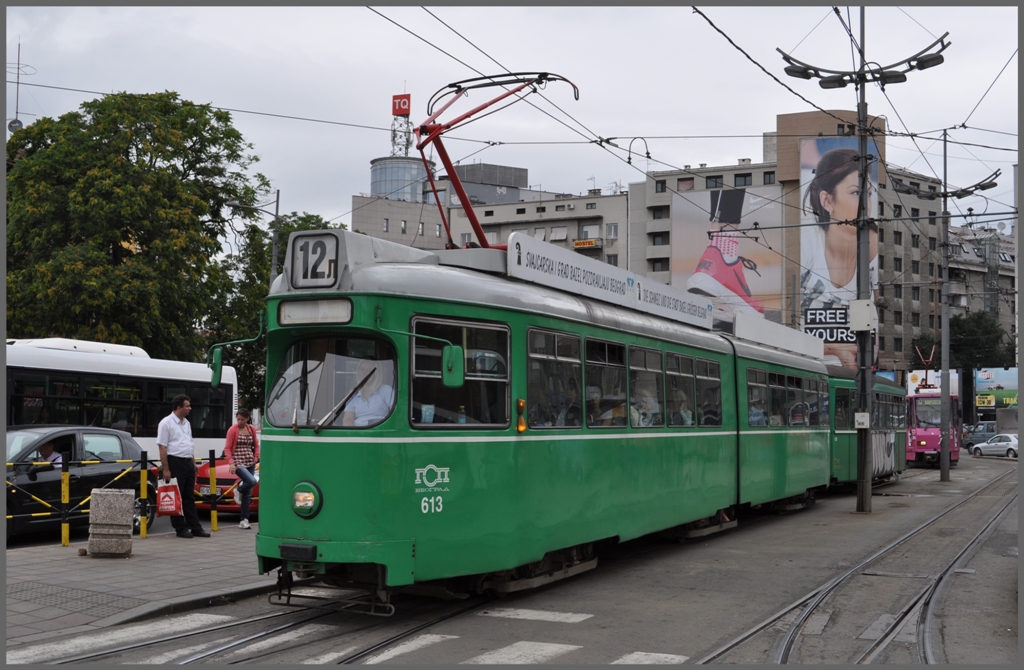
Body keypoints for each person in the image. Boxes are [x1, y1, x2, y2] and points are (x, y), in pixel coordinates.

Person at [800, 147, 879, 369]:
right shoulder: (807, 243)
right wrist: (835, 347)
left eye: (869, 193)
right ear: (827, 201)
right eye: (856, 193)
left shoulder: (873, 247)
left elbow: (872, 349)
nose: (866, 204)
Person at [157, 394, 210, 538]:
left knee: (189, 497)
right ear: (179, 407)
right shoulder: (166, 423)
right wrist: (166, 468)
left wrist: (193, 463)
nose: (190, 408)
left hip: (187, 462)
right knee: (176, 496)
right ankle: (180, 528)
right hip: (175, 461)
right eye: (187, 406)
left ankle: (195, 527)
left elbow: (189, 443)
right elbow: (162, 447)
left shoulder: (186, 423)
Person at [224, 408, 260, 529]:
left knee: (248, 493)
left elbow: (256, 444)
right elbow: (227, 448)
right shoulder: (233, 430)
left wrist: (256, 457)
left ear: (247, 419)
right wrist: (231, 463)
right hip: (238, 461)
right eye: (238, 419)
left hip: (250, 461)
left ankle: (244, 519)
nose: (239, 422)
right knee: (252, 481)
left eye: (242, 419)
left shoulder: (251, 429)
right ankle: (237, 491)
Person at [342, 360, 395, 427]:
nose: (364, 373)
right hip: (358, 432)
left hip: (381, 432)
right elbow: (347, 419)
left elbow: (396, 414)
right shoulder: (353, 394)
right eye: (362, 369)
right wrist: (352, 435)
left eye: (368, 370)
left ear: (376, 373)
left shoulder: (386, 390)